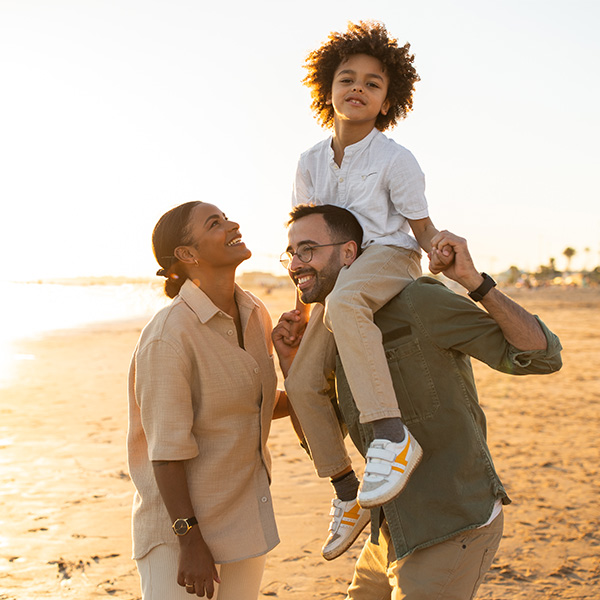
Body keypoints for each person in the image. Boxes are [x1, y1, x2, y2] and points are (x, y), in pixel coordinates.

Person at [274, 204, 562, 599]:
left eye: (307, 250)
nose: (295, 264)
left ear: (349, 253)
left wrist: (476, 283)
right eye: (290, 253)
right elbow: (323, 438)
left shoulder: (420, 303)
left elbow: (541, 356)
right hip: (387, 531)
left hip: (450, 525)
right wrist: (293, 367)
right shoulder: (335, 328)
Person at [285, 20, 455, 558]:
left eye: (373, 83)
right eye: (346, 78)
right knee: (305, 381)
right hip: (336, 278)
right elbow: (306, 244)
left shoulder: (395, 159)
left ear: (387, 102)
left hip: (387, 256)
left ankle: (391, 435)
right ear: (327, 90)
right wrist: (301, 304)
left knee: (349, 299)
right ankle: (346, 493)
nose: (357, 87)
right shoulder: (309, 162)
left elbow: (421, 228)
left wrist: (441, 249)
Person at [127, 201, 288, 599]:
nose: (233, 224)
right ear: (187, 255)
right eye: (215, 223)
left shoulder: (254, 313)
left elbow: (255, 404)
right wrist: (189, 540)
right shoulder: (169, 335)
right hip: (181, 534)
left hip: (244, 517)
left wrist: (302, 370)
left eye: (227, 217)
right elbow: (164, 452)